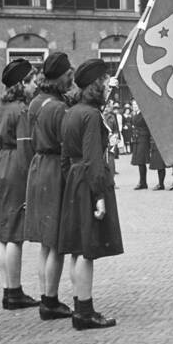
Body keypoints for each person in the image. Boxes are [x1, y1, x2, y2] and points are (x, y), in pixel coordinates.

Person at [58, 59, 122, 329]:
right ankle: (85, 312)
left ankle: (78, 306)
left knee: (76, 249)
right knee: (87, 251)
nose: (107, 85)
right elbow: (94, 158)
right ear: (95, 85)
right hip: (88, 181)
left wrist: (71, 182)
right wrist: (98, 196)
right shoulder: (91, 115)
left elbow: (64, 158)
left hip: (74, 179)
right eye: (104, 82)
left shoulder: (72, 111)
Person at [23, 52, 74, 320]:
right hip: (55, 170)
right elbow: (68, 144)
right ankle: (51, 302)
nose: (71, 79)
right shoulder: (59, 108)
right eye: (69, 75)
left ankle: (45, 294)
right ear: (60, 76)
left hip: (38, 167)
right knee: (56, 242)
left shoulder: (36, 102)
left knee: (45, 241)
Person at [0, 58, 39, 310]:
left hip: (1, 166)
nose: (34, 86)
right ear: (22, 83)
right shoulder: (22, 109)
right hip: (15, 170)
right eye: (32, 81)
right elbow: (25, 150)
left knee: (3, 233)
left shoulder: (1, 108)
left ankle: (7, 289)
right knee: (15, 235)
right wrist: (31, 181)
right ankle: (15, 292)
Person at [130, 101, 150, 190]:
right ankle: (142, 182)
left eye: (136, 105)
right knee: (139, 162)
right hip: (137, 139)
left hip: (143, 138)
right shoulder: (135, 115)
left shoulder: (144, 114)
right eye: (133, 105)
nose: (134, 106)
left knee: (141, 161)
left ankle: (143, 182)